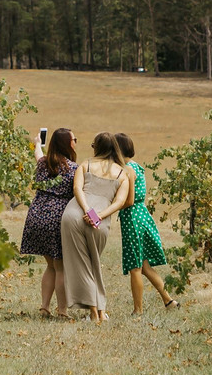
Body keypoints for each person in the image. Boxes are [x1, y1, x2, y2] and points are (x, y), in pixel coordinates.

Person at [60, 132, 131, 324]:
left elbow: (77, 189)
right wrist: (98, 215)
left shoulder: (86, 164)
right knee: (94, 264)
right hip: (100, 220)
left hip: (74, 214)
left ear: (96, 147)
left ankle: (94, 313)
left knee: (81, 265)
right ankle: (100, 311)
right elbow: (121, 201)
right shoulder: (123, 174)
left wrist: (87, 210)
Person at [115, 133, 177, 314]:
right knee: (144, 266)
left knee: (135, 267)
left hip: (132, 217)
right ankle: (169, 300)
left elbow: (128, 201)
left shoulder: (127, 170)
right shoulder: (136, 166)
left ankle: (138, 310)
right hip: (142, 215)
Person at [20, 128, 78, 318]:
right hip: (57, 219)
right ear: (67, 144)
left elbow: (38, 154)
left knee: (50, 265)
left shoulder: (43, 163)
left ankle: (45, 307)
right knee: (60, 267)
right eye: (74, 139)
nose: (76, 142)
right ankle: (62, 311)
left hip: (36, 216)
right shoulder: (73, 169)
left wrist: (38, 143)